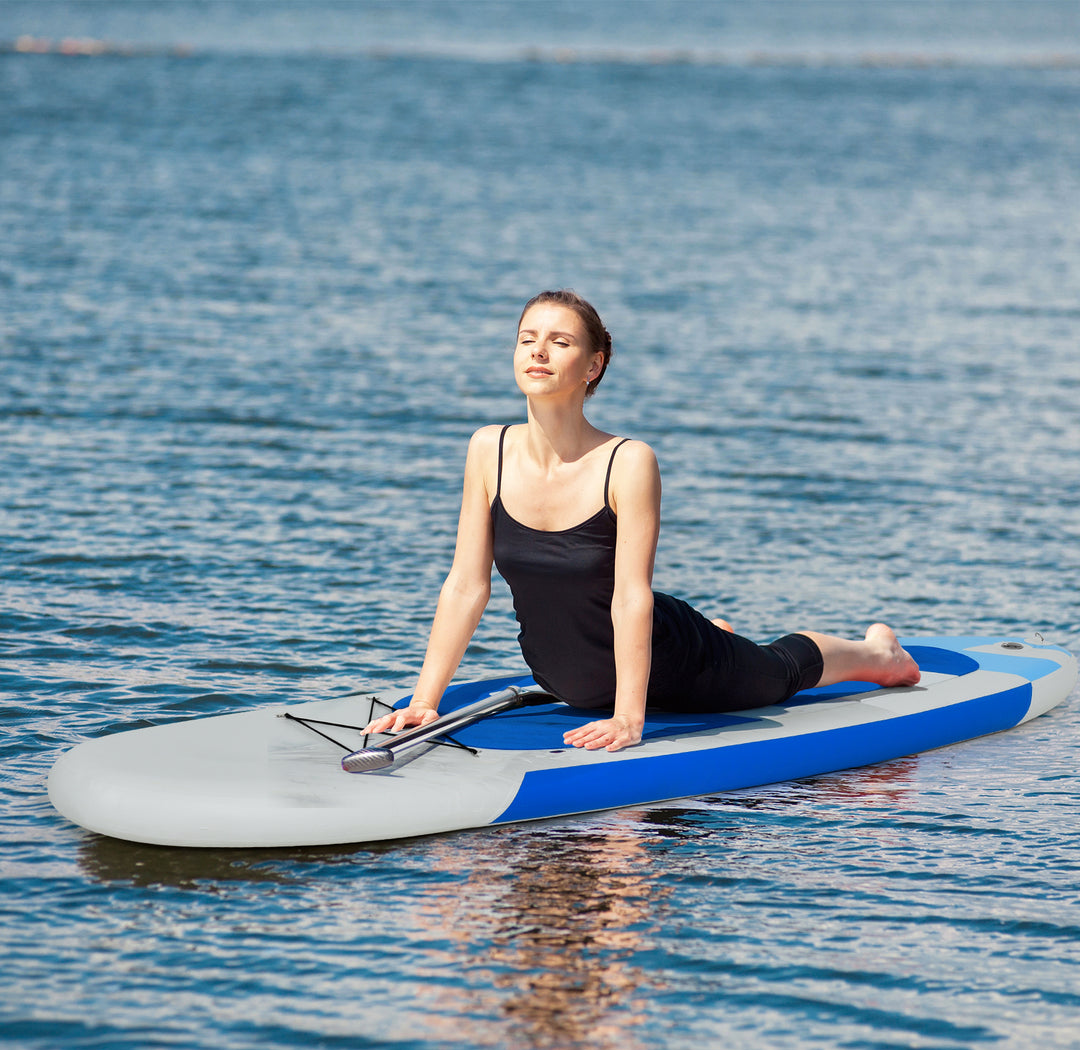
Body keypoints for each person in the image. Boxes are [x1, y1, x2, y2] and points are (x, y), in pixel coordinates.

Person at [364, 290, 920, 752]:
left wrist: (631, 718)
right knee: (716, 651)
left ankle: (878, 653)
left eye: (560, 342)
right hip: (565, 679)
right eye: (527, 339)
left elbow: (632, 596)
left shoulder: (627, 461)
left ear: (594, 364)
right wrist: (424, 702)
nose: (538, 352)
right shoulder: (489, 449)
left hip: (667, 663)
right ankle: (720, 634)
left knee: (775, 674)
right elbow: (466, 585)